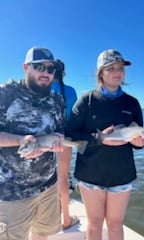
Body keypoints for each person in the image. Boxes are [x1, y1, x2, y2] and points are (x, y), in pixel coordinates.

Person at [65, 49, 144, 240]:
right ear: (100, 73)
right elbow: (70, 134)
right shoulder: (87, 100)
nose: (117, 72)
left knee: (116, 225)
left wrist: (139, 143)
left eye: (120, 68)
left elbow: (137, 139)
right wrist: (99, 139)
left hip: (122, 174)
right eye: (111, 68)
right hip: (90, 175)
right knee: (94, 225)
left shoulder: (132, 103)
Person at [0, 47, 66, 240]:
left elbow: (60, 130)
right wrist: (20, 140)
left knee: (42, 235)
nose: (45, 73)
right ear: (25, 67)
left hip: (48, 186)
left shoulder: (56, 100)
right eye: (39, 67)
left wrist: (58, 140)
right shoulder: (6, 94)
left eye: (50, 69)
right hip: (12, 191)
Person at [51, 59, 79, 230]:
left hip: (42, 140)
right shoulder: (70, 91)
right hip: (64, 140)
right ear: (64, 73)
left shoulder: (41, 89)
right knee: (62, 178)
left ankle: (43, 217)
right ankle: (66, 219)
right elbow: (73, 119)